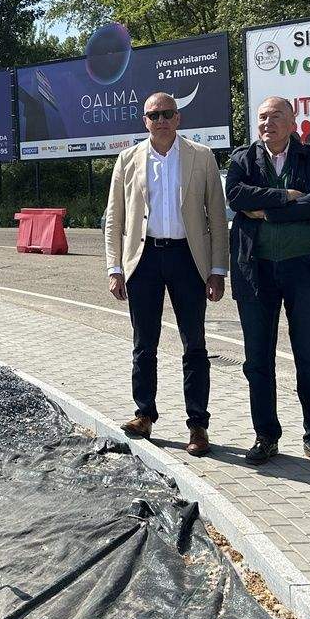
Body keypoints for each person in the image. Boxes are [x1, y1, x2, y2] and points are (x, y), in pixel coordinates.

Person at [104, 91, 230, 455]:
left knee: (194, 345)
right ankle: (144, 414)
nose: (160, 120)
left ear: (178, 119)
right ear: (144, 120)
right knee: (144, 344)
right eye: (153, 115)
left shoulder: (202, 157)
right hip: (143, 262)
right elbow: (115, 218)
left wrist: (218, 268)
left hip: (188, 260)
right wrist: (115, 267)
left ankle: (198, 426)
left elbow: (217, 218)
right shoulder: (127, 159)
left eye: (167, 114)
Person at [226, 97, 310, 468]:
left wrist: (266, 212)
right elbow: (235, 195)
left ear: (293, 122)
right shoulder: (242, 159)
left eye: (276, 116)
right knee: (257, 359)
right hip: (256, 271)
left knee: (309, 356)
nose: (267, 122)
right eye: (262, 117)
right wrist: (284, 197)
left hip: (303, 271)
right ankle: (266, 435)